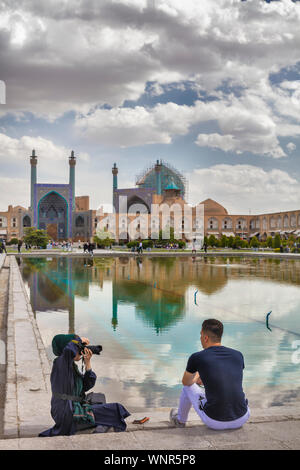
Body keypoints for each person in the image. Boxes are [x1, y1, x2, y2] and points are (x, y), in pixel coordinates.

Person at [39, 334, 130, 437]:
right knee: (117, 408)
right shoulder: (60, 364)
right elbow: (69, 351)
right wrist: (79, 340)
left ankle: (99, 424)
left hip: (72, 407)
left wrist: (87, 363)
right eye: (78, 347)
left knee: (99, 398)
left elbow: (85, 386)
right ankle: (100, 428)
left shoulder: (71, 367)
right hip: (67, 413)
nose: (80, 350)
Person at [169, 319, 250, 431]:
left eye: (201, 335)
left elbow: (186, 382)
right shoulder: (238, 355)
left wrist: (197, 376)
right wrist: (205, 376)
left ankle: (180, 421)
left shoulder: (197, 357)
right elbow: (227, 377)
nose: (200, 338)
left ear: (205, 337)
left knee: (187, 388)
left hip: (215, 421)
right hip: (242, 417)